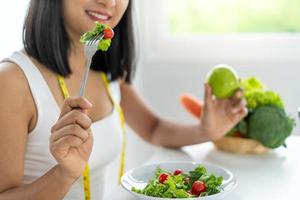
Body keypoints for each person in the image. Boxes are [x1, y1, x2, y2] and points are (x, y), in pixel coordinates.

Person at [0, 0, 247, 199]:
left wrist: (206, 131)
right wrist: (64, 174)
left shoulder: (105, 70)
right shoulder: (12, 81)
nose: (109, 2)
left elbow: (154, 128)